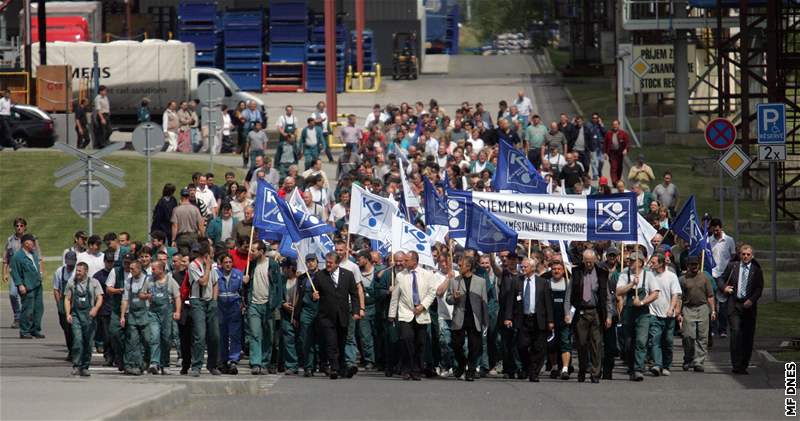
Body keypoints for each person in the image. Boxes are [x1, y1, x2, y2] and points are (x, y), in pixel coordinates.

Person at [388, 251, 436, 381]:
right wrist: (391, 314)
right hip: (405, 313)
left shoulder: (427, 275)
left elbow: (432, 293)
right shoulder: (400, 276)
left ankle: (416, 369)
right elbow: (395, 296)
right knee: (406, 339)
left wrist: (423, 306)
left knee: (420, 343)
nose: (404, 262)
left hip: (421, 313)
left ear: (415, 261)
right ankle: (406, 368)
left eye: (407, 260)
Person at [504, 257, 553, 382]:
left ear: (532, 268)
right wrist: (508, 317)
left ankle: (534, 372)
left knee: (538, 347)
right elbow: (510, 302)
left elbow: (548, 303)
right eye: (522, 266)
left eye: (525, 267)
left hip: (538, 319)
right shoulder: (516, 282)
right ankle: (528, 367)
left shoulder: (542, 282)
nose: (523, 269)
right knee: (521, 346)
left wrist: (550, 321)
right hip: (523, 319)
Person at [313, 251, 361, 379]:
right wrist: (314, 296)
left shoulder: (348, 275)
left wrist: (356, 311)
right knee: (331, 342)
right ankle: (334, 368)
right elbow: (313, 293)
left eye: (330, 263)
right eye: (326, 262)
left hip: (343, 315)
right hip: (326, 316)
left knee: (341, 342)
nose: (328, 265)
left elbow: (354, 294)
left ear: (337, 263)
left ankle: (342, 368)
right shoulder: (319, 276)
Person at [720, 244, 764, 375]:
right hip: (734, 305)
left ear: (752, 256)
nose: (745, 256)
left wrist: (751, 300)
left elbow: (759, 288)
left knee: (747, 336)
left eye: (748, 254)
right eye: (743, 254)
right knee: (735, 333)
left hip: (748, 306)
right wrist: (725, 288)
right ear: (739, 255)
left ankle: (744, 364)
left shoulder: (756, 270)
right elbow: (721, 279)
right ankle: (736, 364)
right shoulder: (733, 267)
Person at [615, 252, 660, 381]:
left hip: (643, 313)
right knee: (629, 342)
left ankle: (638, 369)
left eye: (633, 260)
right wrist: (631, 285)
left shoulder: (648, 275)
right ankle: (631, 365)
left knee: (641, 341)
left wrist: (642, 302)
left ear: (640, 262)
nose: (630, 263)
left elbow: (655, 293)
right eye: (630, 260)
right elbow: (618, 292)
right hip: (628, 311)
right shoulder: (624, 274)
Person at [570, 249, 610, 383]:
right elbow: (568, 295)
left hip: (596, 312)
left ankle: (595, 373)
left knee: (596, 344)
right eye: (586, 262)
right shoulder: (576, 272)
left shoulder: (602, 273)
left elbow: (607, 297)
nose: (588, 264)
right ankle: (582, 370)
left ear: (595, 261)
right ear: (583, 260)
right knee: (581, 344)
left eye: (591, 262)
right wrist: (567, 313)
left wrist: (609, 315)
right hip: (580, 312)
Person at [445, 255, 488, 382]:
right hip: (459, 317)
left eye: (461, 265)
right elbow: (448, 299)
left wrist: (485, 321)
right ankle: (462, 363)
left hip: (475, 318)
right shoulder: (454, 281)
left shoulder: (480, 282)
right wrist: (454, 297)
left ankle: (471, 370)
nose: (459, 267)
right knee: (456, 344)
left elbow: (484, 302)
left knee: (475, 346)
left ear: (468, 267)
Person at [243, 241, 283, 375]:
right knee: (255, 334)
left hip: (268, 305)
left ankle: (265, 362)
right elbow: (245, 286)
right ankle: (256, 362)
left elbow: (278, 287)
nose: (251, 252)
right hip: (254, 304)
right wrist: (245, 282)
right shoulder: (251, 265)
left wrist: (275, 304)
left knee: (268, 335)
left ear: (261, 251)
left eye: (253, 250)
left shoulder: (272, 264)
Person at [64, 262, 104, 376]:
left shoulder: (94, 283)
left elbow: (100, 297)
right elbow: (67, 299)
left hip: (90, 317)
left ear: (86, 271)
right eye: (76, 271)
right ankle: (76, 365)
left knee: (88, 343)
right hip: (76, 316)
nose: (77, 273)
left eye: (79, 271)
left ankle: (85, 366)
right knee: (77, 341)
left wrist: (95, 309)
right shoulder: (71, 282)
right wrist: (68, 314)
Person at [188, 241, 221, 377]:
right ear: (206, 254)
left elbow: (214, 283)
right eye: (211, 253)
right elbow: (203, 281)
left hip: (209, 302)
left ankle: (212, 364)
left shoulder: (212, 266)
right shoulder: (193, 266)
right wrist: (207, 267)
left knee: (215, 336)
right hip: (198, 302)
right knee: (200, 335)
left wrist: (214, 300)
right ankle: (196, 365)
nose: (213, 255)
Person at [678, 255, 715, 372]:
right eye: (691, 264)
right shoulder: (683, 279)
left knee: (702, 337)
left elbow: (710, 296)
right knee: (688, 336)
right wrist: (678, 312)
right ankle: (688, 359)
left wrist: (713, 310)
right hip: (688, 309)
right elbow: (679, 297)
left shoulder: (705, 278)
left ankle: (699, 362)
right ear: (687, 266)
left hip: (703, 308)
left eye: (696, 264)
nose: (694, 267)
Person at [647, 253, 681, 377]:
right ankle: (657, 364)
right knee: (654, 339)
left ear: (661, 263)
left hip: (668, 315)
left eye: (654, 262)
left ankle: (666, 365)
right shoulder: (649, 275)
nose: (651, 264)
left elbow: (675, 294)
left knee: (668, 341)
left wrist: (672, 308)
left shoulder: (671, 276)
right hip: (653, 313)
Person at [147, 260, 181, 375]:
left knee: (166, 338)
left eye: (154, 269)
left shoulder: (170, 281)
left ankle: (165, 364)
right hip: (153, 313)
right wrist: (146, 296)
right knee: (154, 336)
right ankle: (154, 363)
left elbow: (177, 297)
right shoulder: (149, 281)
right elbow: (141, 294)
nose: (152, 271)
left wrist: (177, 311)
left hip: (167, 314)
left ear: (161, 269)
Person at [10, 233, 45, 339]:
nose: (34, 243)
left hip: (37, 284)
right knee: (27, 309)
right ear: (26, 243)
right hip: (27, 286)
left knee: (39, 308)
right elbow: (14, 272)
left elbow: (37, 265)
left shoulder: (33, 253)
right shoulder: (17, 256)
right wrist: (20, 285)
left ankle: (35, 329)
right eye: (32, 241)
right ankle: (24, 330)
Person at [120, 260, 151, 375]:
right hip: (133, 315)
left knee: (147, 340)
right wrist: (123, 315)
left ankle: (146, 361)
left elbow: (153, 296)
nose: (130, 270)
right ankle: (134, 365)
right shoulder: (128, 281)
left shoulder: (148, 280)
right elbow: (125, 300)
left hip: (145, 313)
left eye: (133, 269)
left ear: (139, 268)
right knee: (133, 341)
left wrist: (146, 296)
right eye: (130, 269)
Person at [215, 253, 243, 374]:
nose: (228, 264)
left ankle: (233, 360)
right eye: (225, 262)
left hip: (234, 308)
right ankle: (223, 360)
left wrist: (245, 282)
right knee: (222, 335)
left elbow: (243, 291)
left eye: (230, 262)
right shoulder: (216, 274)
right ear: (221, 263)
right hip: (220, 307)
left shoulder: (239, 274)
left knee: (235, 334)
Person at [293, 254, 321, 377]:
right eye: (308, 261)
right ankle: (308, 366)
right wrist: (295, 314)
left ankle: (321, 363)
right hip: (306, 311)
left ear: (317, 262)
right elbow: (298, 296)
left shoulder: (324, 276)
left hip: (320, 311)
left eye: (312, 261)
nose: (310, 263)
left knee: (320, 339)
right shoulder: (303, 278)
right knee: (306, 339)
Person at [545, 260, 572, 380]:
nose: (556, 271)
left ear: (563, 270)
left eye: (559, 269)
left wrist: (569, 314)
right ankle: (554, 367)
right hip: (550, 319)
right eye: (554, 269)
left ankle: (565, 369)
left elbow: (573, 302)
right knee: (552, 344)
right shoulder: (546, 283)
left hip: (564, 319)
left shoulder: (568, 283)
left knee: (565, 343)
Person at [709, 218, 736, 338]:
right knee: (712, 303)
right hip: (713, 275)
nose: (715, 232)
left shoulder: (729, 240)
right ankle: (713, 328)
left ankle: (723, 329)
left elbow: (733, 256)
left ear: (721, 228)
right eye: (713, 230)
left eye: (717, 230)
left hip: (724, 276)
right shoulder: (709, 240)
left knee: (723, 304)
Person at [54, 251, 78, 361]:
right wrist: (59, 303)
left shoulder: (78, 271)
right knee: (66, 329)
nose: (70, 266)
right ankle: (70, 350)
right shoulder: (60, 271)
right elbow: (56, 289)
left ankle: (76, 351)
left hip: (76, 302)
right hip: (64, 302)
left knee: (75, 328)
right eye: (68, 263)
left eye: (72, 263)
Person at [171, 188, 205, 255]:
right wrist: (203, 236)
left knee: (184, 258)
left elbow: (175, 226)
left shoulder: (176, 210)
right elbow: (200, 224)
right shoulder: (195, 209)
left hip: (182, 237)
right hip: (193, 236)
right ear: (188, 196)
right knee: (194, 256)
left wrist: (173, 240)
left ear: (181, 197)